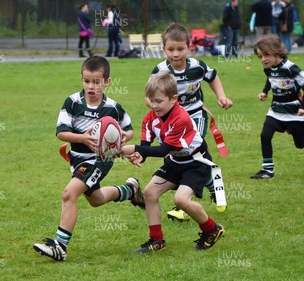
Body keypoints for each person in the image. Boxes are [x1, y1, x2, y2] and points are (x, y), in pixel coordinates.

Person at [33, 55, 145, 261]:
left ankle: (60, 247)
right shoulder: (73, 102)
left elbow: (129, 130)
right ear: (82, 79)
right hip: (77, 157)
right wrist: (83, 138)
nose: (91, 86)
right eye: (86, 81)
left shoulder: (112, 108)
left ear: (107, 82)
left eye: (97, 82)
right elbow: (61, 132)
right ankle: (130, 190)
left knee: (69, 194)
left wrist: (122, 137)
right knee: (96, 199)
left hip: (99, 159)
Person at [121, 72, 225, 253]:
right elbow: (146, 146)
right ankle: (156, 240)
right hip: (175, 161)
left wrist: (133, 148)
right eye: (151, 100)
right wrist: (139, 155)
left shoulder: (181, 118)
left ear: (173, 98)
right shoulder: (149, 118)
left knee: (181, 199)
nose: (154, 105)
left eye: (159, 101)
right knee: (150, 193)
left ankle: (211, 229)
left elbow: (162, 150)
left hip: (196, 162)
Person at [149, 23, 233, 221]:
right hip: (171, 120)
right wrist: (155, 105)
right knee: (177, 157)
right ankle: (211, 185)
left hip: (195, 115)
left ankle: (183, 204)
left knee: (189, 150)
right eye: (171, 49)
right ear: (163, 49)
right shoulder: (160, 70)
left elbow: (213, 77)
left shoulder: (197, 66)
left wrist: (221, 96)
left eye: (180, 49)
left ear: (189, 47)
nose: (176, 54)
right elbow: (150, 94)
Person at [250, 35, 304, 179]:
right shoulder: (268, 69)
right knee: (265, 135)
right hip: (276, 109)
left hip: (294, 111)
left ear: (277, 52)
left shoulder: (291, 68)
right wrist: (264, 92)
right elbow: (271, 79)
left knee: (300, 144)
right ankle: (268, 170)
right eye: (260, 56)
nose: (263, 59)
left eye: (266, 55)